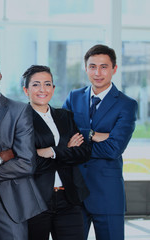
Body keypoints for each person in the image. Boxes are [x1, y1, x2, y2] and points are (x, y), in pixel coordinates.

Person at [63, 44, 138, 240]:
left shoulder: (126, 104)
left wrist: (80, 139)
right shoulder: (74, 97)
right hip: (75, 194)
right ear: (85, 68)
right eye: (92, 66)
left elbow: (114, 148)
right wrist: (94, 134)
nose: (98, 72)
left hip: (108, 195)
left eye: (104, 67)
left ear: (114, 69)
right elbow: (63, 137)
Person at [0, 54, 46, 240]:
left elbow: (26, 163)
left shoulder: (19, 110)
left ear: (0, 76)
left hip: (9, 200)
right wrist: (1, 156)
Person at [21, 65, 91, 240]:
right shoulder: (21, 120)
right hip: (37, 200)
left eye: (47, 84)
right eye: (36, 84)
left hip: (69, 198)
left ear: (53, 88)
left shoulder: (65, 116)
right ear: (26, 90)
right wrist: (67, 150)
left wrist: (52, 151)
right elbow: (31, 162)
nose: (42, 89)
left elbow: (83, 152)